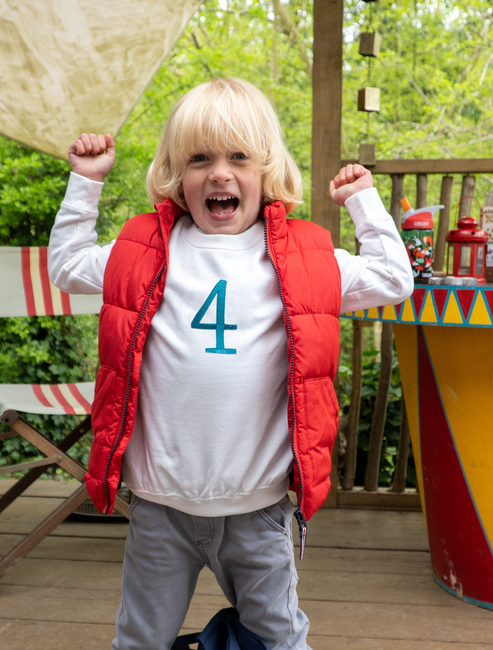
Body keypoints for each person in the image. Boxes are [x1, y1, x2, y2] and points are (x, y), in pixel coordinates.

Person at [48, 77, 413, 650]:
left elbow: (394, 279)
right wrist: (85, 183)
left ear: (266, 170)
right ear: (176, 176)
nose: (219, 173)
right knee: (139, 639)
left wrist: (363, 202)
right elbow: (68, 268)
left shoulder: (303, 257)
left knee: (280, 640)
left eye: (238, 157)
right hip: (159, 507)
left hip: (258, 511)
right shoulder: (145, 253)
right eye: (199, 159)